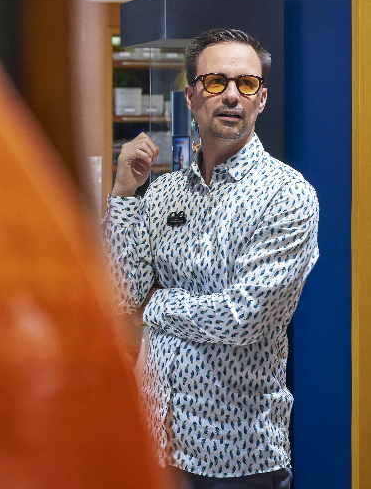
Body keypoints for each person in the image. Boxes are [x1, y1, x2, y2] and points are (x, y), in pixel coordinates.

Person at [103, 28, 319, 489]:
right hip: (155, 443)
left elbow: (244, 318)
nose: (232, 97)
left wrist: (156, 308)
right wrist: (124, 194)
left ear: (261, 99)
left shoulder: (287, 195)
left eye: (246, 84)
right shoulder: (162, 191)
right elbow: (123, 295)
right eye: (217, 82)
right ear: (191, 95)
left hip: (239, 459)